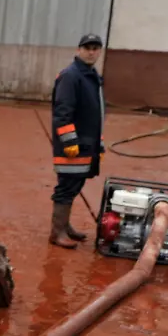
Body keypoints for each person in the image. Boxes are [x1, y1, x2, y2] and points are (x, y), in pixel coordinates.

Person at [50, 33, 105, 249]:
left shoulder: (91, 76)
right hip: (73, 147)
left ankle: (65, 226)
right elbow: (62, 113)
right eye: (87, 47)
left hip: (87, 146)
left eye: (95, 48)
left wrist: (98, 144)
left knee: (75, 186)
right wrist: (69, 141)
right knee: (66, 186)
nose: (91, 52)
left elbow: (96, 116)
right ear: (78, 50)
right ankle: (57, 232)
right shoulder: (71, 76)